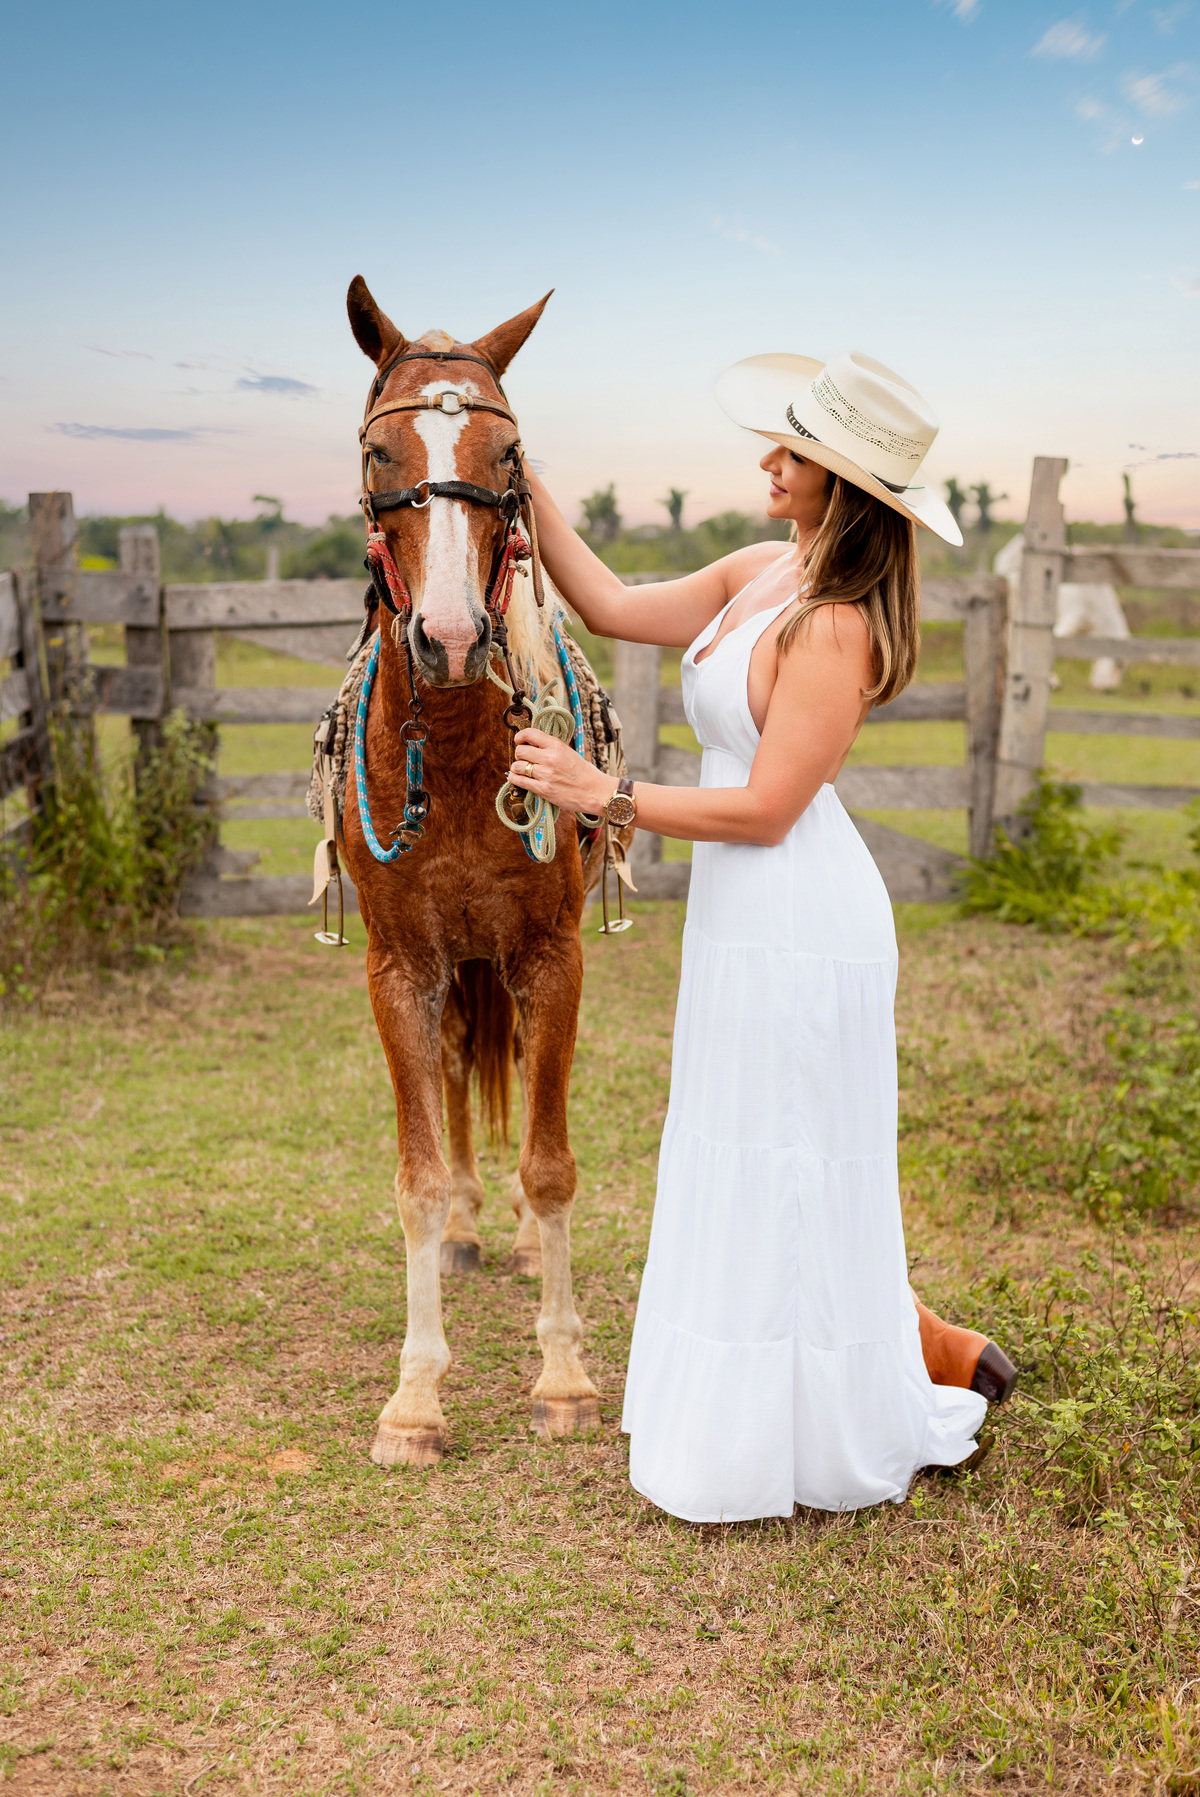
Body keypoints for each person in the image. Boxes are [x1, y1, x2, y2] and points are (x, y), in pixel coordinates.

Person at [509, 349, 1015, 1522]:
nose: (766, 463)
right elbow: (613, 607)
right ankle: (754, 1412)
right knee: (735, 1147)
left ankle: (820, 1424)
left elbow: (768, 808)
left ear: (838, 482)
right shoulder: (759, 572)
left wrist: (605, 795)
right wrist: (524, 484)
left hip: (801, 914)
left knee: (787, 1159)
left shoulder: (837, 627)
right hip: (744, 916)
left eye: (789, 451)